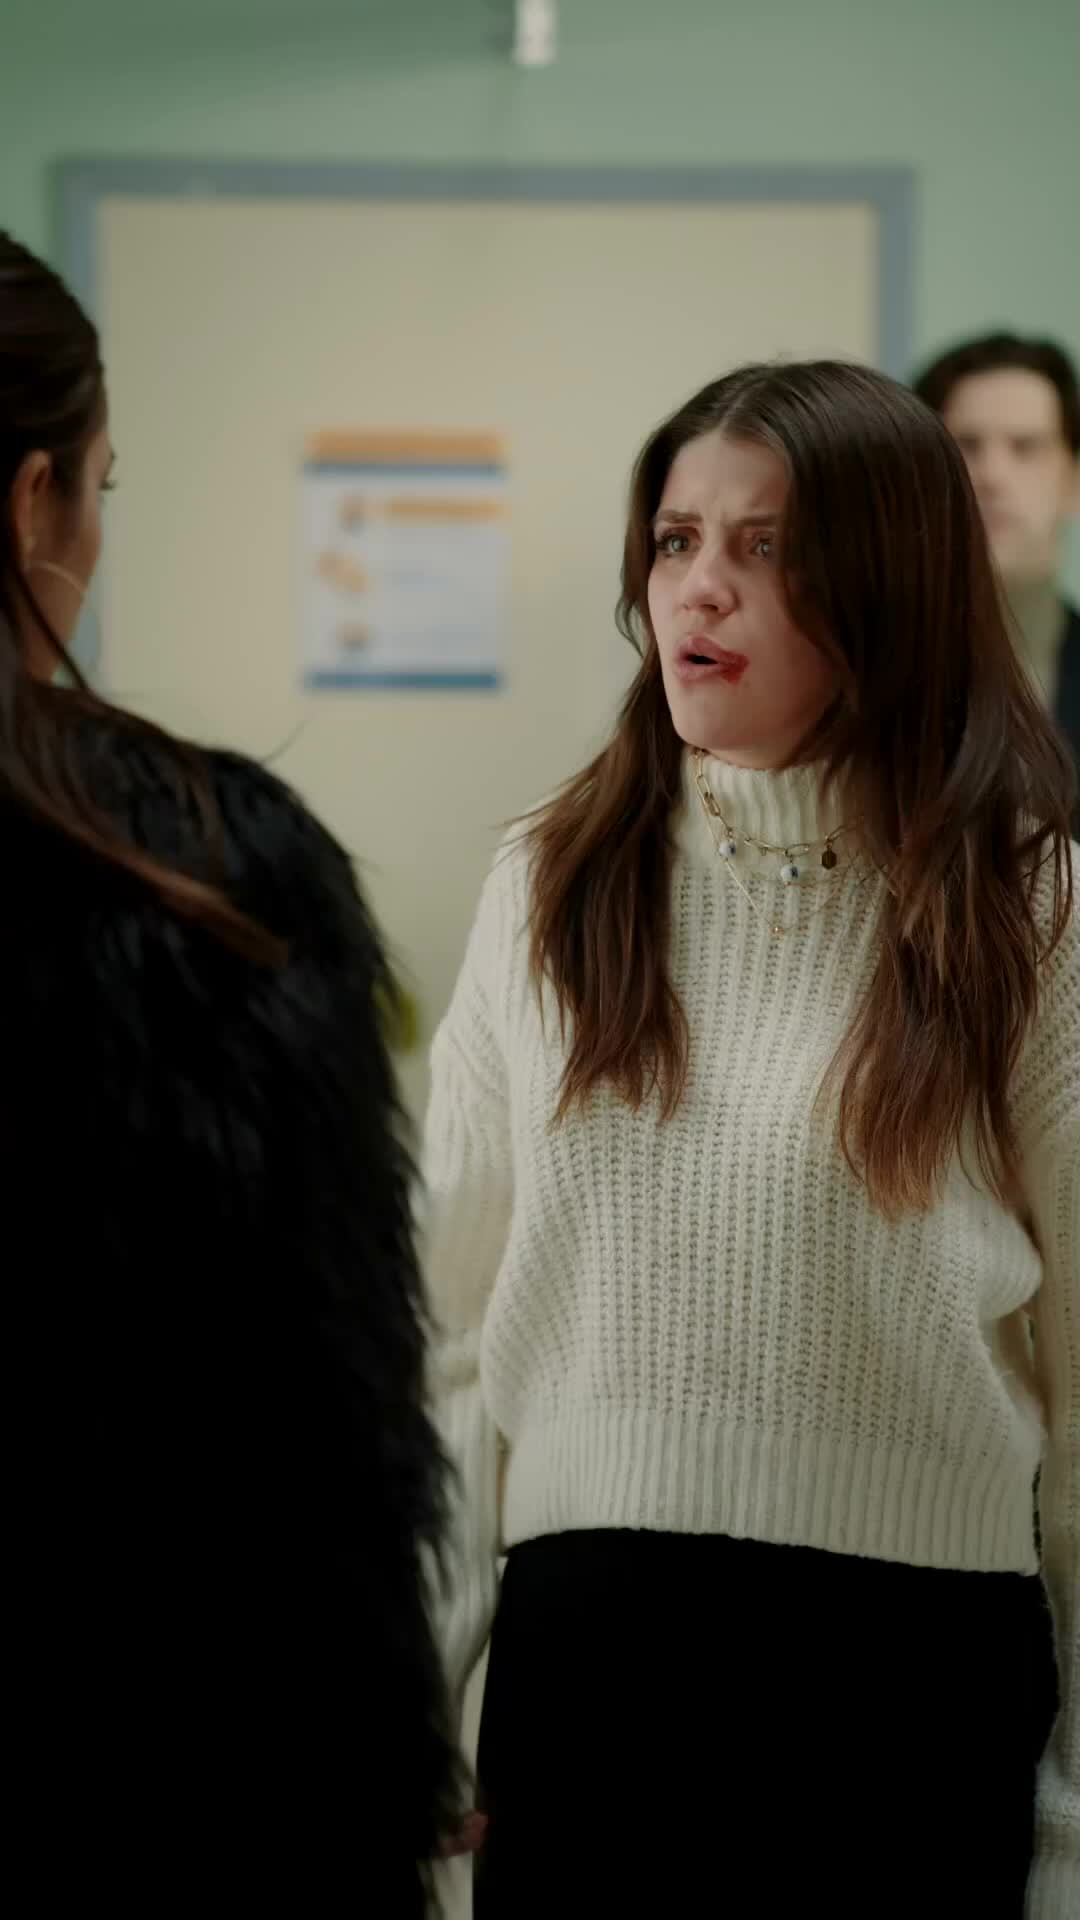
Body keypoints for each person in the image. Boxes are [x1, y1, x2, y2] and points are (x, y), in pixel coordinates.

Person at [424, 362, 1079, 1917]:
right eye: (674, 541)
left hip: (910, 1693)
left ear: (891, 585)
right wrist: (412, 1698)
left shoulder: (1029, 907)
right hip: (585, 1675)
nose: (698, 588)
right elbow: (447, 1344)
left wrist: (1070, 1834)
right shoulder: (550, 882)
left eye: (766, 548)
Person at [1, 232, 460, 1912]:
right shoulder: (205, 871)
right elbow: (325, 1428)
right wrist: (395, 1775)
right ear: (35, 501)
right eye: (105, 487)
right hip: (160, 1778)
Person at [914, 333, 1080, 765]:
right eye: (966, 446)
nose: (991, 474)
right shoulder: (855, 670)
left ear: (1073, 481)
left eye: (1025, 447)